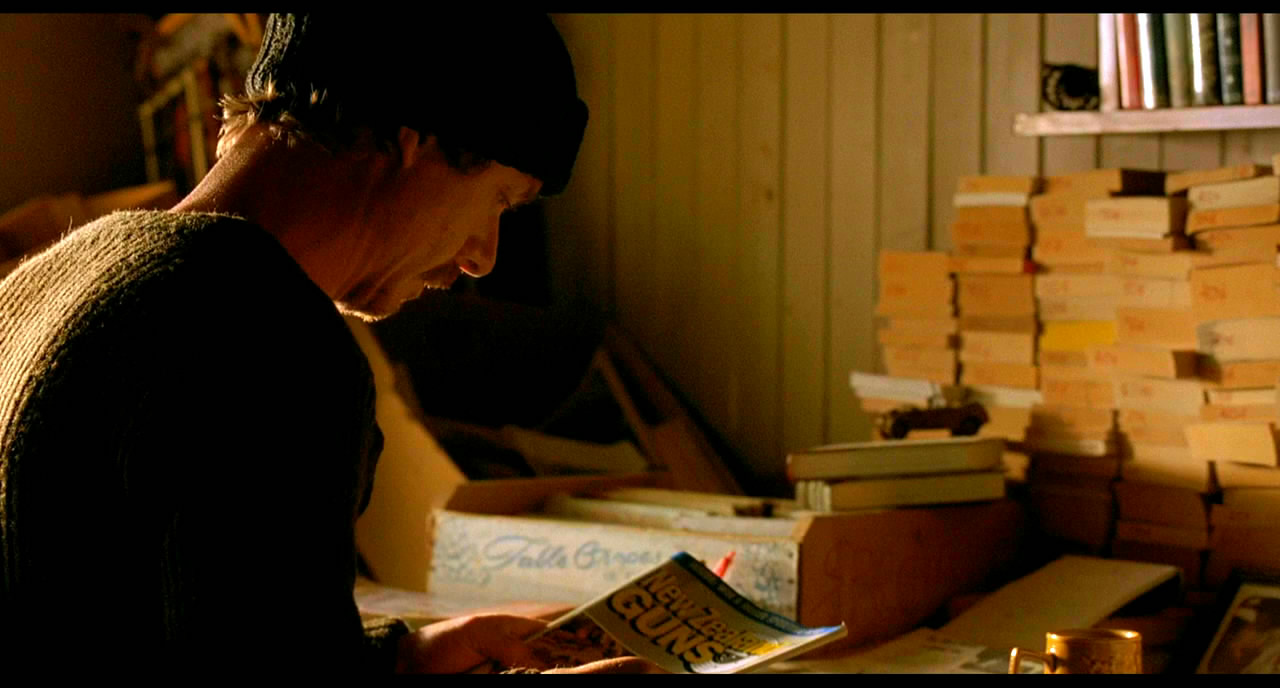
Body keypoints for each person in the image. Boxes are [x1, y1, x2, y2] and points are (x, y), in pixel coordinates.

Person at [0, 13, 656, 674]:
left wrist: (400, 659)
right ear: (419, 143)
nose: (483, 257)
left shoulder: (54, 276)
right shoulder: (267, 341)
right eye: (499, 201)